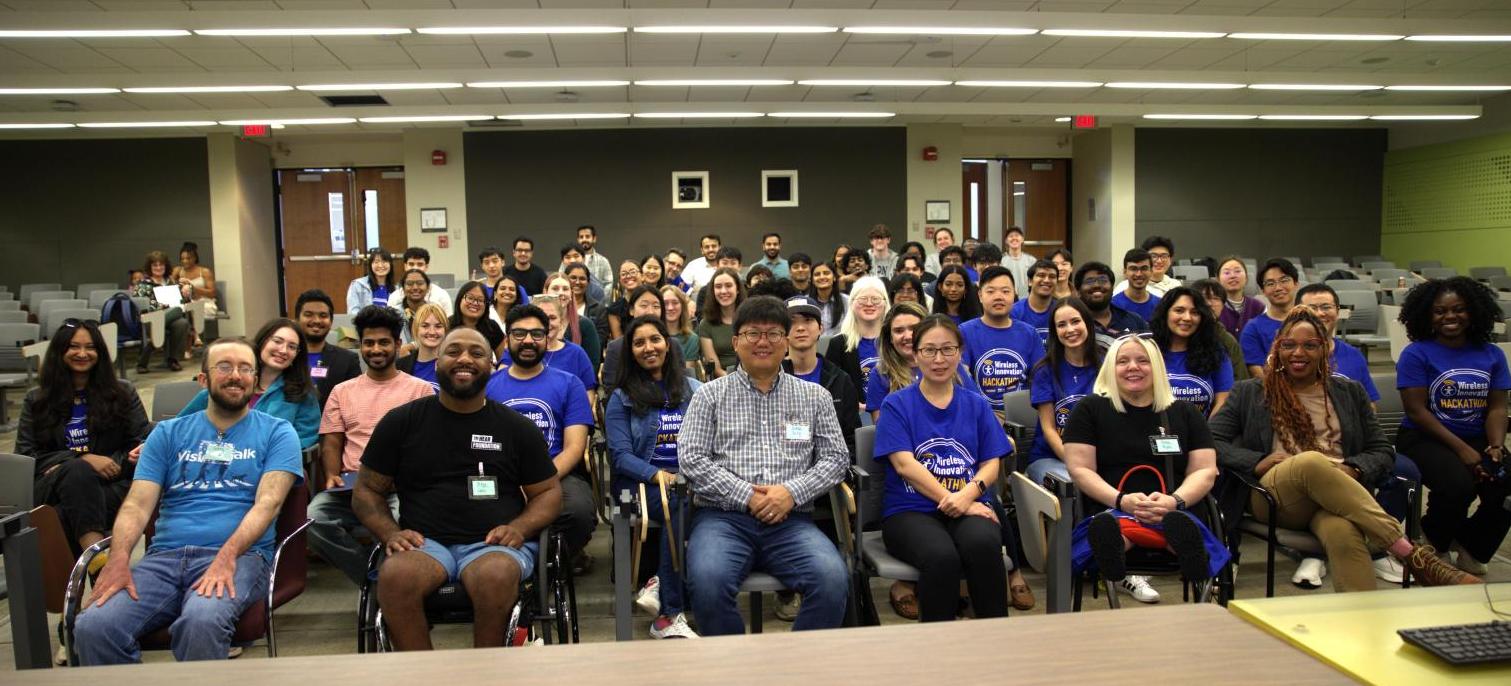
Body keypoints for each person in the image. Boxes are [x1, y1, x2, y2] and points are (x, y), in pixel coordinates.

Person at [1211, 307, 1481, 590]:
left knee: (1343, 533)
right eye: (1289, 345)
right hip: (1276, 496)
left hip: (1337, 494)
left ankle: (1362, 623)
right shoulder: (1250, 392)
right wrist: (1256, 461)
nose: (1298, 353)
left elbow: (1380, 448)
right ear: (1278, 348)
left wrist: (1353, 468)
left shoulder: (1349, 392)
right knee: (1311, 461)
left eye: (1309, 345)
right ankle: (1409, 552)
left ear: (1325, 350)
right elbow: (1212, 440)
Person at [74, 337, 301, 665]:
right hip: (163, 560)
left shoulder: (278, 432)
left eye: (245, 368)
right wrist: (119, 558)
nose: (235, 375)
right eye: (224, 367)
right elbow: (137, 504)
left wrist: (226, 556)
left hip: (240, 557)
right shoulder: (167, 433)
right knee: (95, 626)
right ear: (203, 379)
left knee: (201, 622)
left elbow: (267, 504)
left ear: (255, 381)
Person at [354, 328, 562, 651]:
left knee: (495, 576)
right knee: (395, 577)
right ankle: (423, 674)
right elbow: (366, 490)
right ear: (436, 363)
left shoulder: (516, 427)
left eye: (476, 353)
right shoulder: (401, 423)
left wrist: (520, 527)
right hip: (424, 544)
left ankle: (485, 671)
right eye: (453, 352)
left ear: (493, 366)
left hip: (493, 545)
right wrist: (389, 532)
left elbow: (548, 493)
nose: (464, 359)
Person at [679, 296, 850, 636]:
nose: (762, 342)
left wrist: (790, 492)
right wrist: (748, 496)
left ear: (786, 342)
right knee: (708, 583)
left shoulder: (814, 396)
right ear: (736, 341)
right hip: (722, 520)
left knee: (832, 579)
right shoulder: (709, 396)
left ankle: (796, 669)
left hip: (791, 522)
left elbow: (836, 458)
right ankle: (736, 670)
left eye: (773, 334)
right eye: (752, 333)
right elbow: (692, 459)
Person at [1062, 334, 1228, 588]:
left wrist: (1174, 501)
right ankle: (1117, 550)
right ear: (1110, 368)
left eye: (1143, 360)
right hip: (1111, 505)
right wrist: (1122, 500)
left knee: (1178, 524)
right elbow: (1080, 469)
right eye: (1123, 361)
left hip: (1176, 508)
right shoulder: (1089, 410)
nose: (1133, 367)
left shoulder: (1185, 412)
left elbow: (1205, 469)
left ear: (1157, 367)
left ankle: (1182, 548)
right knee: (1111, 526)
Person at [875, 315, 1010, 622]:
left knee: (984, 545)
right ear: (915, 354)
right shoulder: (896, 404)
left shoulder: (976, 404)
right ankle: (938, 651)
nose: (939, 359)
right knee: (941, 557)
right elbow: (904, 465)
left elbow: (992, 462)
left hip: (970, 502)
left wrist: (968, 496)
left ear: (960, 352)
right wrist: (956, 501)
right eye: (929, 350)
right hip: (910, 510)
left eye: (948, 350)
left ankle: (996, 639)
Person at [310, 305, 434, 586]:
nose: (375, 349)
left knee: (411, 523)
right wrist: (331, 475)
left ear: (398, 345)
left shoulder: (420, 390)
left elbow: (428, 446)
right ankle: (373, 578)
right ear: (361, 347)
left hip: (402, 487)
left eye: (383, 342)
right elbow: (332, 440)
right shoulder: (342, 391)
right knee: (314, 519)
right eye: (368, 343)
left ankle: (399, 584)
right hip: (353, 487)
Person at [1395, 276, 1510, 575]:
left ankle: (1472, 545)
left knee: (1506, 485)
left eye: (1458, 309)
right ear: (1427, 316)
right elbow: (1417, 411)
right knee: (1458, 484)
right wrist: (1462, 451)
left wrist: (1495, 446)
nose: (1450, 317)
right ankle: (1434, 541)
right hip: (1423, 438)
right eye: (1440, 311)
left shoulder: (1491, 354)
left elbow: (1498, 406)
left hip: (1477, 437)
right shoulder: (1416, 353)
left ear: (1473, 311)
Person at [20, 320, 149, 566]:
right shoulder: (37, 399)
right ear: (60, 352)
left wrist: (110, 464)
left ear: (99, 353)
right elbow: (27, 456)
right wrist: (83, 459)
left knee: (60, 516)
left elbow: (141, 442)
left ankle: (77, 593)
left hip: (113, 483)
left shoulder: (123, 393)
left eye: (90, 347)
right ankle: (99, 565)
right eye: (74, 347)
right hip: (53, 488)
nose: (82, 353)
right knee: (77, 472)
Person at [605, 315, 702, 639]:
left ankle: (661, 583)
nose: (649, 347)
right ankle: (668, 615)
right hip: (638, 484)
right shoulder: (621, 397)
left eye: (655, 339)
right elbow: (620, 457)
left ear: (668, 344)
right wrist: (661, 475)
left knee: (694, 503)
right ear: (631, 352)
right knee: (678, 501)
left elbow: (712, 440)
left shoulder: (695, 389)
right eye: (639, 342)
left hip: (689, 482)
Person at [486, 304, 597, 562]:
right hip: (501, 476)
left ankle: (548, 563)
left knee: (579, 512)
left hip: (557, 473)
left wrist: (537, 482)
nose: (528, 340)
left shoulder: (570, 384)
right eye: (519, 334)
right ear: (508, 338)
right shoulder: (488, 388)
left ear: (547, 339)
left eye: (536, 334)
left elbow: (574, 448)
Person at [179, 318, 321, 449]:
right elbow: (181, 428)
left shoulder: (303, 394)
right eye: (277, 341)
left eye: (292, 347)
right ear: (263, 341)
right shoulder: (227, 385)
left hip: (270, 464)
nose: (283, 350)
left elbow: (304, 439)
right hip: (211, 461)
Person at [960, 266, 1046, 414]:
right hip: (978, 413)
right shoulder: (964, 331)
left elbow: (1041, 377)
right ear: (980, 295)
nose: (998, 297)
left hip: (1023, 415)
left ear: (1015, 294)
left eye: (1005, 291)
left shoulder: (1029, 333)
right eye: (991, 291)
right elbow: (962, 375)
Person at [783, 295, 862, 454]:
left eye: (807, 320)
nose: (800, 328)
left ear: (821, 328)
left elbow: (851, 438)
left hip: (830, 467)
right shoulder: (769, 378)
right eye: (792, 321)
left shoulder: (840, 380)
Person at [499, 294, 598, 417]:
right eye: (542, 318)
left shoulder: (576, 353)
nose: (547, 323)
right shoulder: (517, 351)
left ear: (561, 322)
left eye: (552, 318)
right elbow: (501, 385)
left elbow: (588, 394)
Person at [1151, 286, 1234, 418]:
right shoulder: (1148, 350)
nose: (1187, 318)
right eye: (1179, 310)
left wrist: (1206, 433)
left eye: (1195, 312)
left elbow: (1223, 400)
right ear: (1165, 313)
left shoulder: (1216, 352)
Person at [1295, 283, 1381, 404]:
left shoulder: (1354, 355)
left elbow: (1369, 405)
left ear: (1338, 311)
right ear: (1296, 313)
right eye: (1312, 308)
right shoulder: (1286, 357)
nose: (1320, 313)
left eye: (1326, 307)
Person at [294, 289, 360, 408]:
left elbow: (354, 404)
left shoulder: (347, 360)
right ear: (297, 319)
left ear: (331, 321)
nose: (316, 321)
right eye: (308, 315)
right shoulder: (286, 356)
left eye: (323, 316)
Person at [826, 275, 888, 397]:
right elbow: (831, 387)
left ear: (885, 303)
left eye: (876, 299)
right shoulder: (838, 344)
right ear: (852, 303)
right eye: (863, 299)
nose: (869, 304)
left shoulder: (896, 340)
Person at [1240, 258, 1299, 377]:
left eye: (1284, 280)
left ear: (1296, 284)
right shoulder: (1253, 328)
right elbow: (1258, 374)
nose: (1278, 288)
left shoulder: (1311, 323)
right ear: (1263, 291)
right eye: (1270, 283)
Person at [601, 285, 666, 393]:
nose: (650, 311)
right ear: (631, 310)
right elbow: (611, 389)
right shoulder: (616, 347)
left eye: (656, 306)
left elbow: (679, 382)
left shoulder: (672, 344)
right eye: (644, 305)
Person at [133, 250, 189, 372]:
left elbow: (183, 300)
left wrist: (185, 290)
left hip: (171, 316)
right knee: (176, 312)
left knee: (181, 322)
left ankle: (172, 359)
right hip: (150, 318)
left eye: (161, 265)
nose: (158, 268)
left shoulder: (170, 281)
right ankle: (142, 362)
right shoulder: (143, 284)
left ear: (166, 266)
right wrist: (159, 306)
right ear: (150, 267)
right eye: (155, 265)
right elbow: (138, 305)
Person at [1075, 261, 1148, 351]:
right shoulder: (1073, 325)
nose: (1097, 285)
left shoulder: (1134, 321)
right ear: (1078, 292)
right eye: (1089, 281)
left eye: (1103, 281)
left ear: (1112, 288)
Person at [1190, 279, 1251, 384]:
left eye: (1215, 298)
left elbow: (1241, 381)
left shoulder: (1227, 340)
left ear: (1223, 306)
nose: (1209, 303)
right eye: (1204, 298)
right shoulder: (1179, 335)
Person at [543, 273, 602, 371]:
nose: (560, 292)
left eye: (565, 289)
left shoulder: (585, 325)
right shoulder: (535, 324)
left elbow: (592, 365)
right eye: (555, 288)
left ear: (571, 294)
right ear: (546, 292)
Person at [696, 267, 746, 378]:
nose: (723, 291)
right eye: (718, 287)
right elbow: (716, 369)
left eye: (728, 286)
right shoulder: (706, 324)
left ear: (737, 289)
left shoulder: (750, 319)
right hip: (723, 381)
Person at [395, 303, 449, 392]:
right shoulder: (400, 366)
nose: (432, 332)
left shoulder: (452, 365)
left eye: (438, 326)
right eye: (425, 326)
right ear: (416, 329)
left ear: (445, 330)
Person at [387, 247, 453, 316]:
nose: (415, 268)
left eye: (420, 264)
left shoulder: (441, 295)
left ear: (426, 267)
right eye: (411, 264)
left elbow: (448, 323)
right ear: (405, 266)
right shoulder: (394, 297)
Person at [449, 281, 505, 357]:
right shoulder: (446, 324)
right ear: (459, 299)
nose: (475, 303)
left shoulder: (492, 327)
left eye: (481, 300)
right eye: (470, 298)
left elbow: (504, 360)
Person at [1216, 256, 1265, 338]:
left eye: (1237, 271)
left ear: (1246, 278)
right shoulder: (1212, 306)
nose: (1232, 276)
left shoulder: (1258, 306)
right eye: (1227, 273)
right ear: (1218, 280)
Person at [1114, 236, 1180, 297]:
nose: (1159, 261)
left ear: (1170, 259)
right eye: (1154, 256)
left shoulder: (1175, 285)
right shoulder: (1125, 286)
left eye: (1164, 256)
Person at [1011, 259, 1058, 344]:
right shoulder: (1014, 312)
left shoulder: (1061, 310)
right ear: (1030, 281)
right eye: (1041, 275)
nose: (1047, 280)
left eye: (1052, 276)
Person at [564, 261, 610, 346]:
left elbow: (600, 341)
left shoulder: (599, 310)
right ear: (565, 280)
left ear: (588, 282)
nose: (577, 282)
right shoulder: (557, 307)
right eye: (573, 278)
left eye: (582, 278)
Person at [1111, 249, 1162, 322]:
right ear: (1125, 272)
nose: (1139, 274)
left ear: (1151, 271)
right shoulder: (1113, 305)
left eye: (1144, 268)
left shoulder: (1160, 305)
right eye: (1133, 269)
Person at [345, 246, 395, 313]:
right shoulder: (358, 285)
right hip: (365, 323)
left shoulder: (397, 289)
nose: (380, 265)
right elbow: (352, 312)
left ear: (390, 265)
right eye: (376, 262)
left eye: (384, 261)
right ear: (370, 265)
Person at [661, 284, 701, 366]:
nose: (670, 308)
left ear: (682, 306)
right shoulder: (652, 336)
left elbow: (687, 373)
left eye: (675, 303)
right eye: (665, 303)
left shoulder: (692, 339)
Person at [171, 240, 217, 308]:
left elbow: (212, 294)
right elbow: (169, 286)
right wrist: (179, 285)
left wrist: (192, 288)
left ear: (195, 258)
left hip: (204, 303)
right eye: (182, 259)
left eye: (188, 258)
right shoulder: (177, 271)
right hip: (186, 303)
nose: (185, 261)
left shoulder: (205, 272)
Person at [807, 260, 848, 335]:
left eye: (826, 273)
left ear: (835, 277)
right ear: (812, 280)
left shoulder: (847, 301)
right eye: (817, 274)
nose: (822, 277)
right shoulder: (805, 302)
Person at [394, 269, 435, 343]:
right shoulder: (394, 313)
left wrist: (412, 346)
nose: (415, 287)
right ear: (403, 288)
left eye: (420, 283)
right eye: (409, 284)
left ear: (428, 287)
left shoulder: (435, 312)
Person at [607, 259, 644, 340]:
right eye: (623, 274)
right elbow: (618, 341)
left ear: (642, 276)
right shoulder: (614, 309)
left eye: (633, 272)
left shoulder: (652, 301)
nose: (628, 276)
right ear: (620, 280)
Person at [999, 226, 1036, 297]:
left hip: (1028, 297)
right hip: (1006, 296)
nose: (1014, 238)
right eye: (1011, 236)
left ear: (1022, 239)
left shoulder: (1031, 260)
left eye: (1017, 235)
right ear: (1006, 241)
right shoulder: (1001, 260)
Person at [575, 224, 614, 290]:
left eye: (587, 236)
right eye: (581, 237)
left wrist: (600, 300)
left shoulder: (603, 261)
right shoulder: (570, 260)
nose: (584, 239)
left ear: (594, 239)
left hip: (596, 300)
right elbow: (561, 280)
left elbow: (608, 284)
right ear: (578, 240)